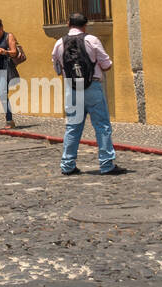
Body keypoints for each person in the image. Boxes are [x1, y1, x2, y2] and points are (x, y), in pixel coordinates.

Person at [52, 12, 126, 176]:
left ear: (68, 23)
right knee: (102, 126)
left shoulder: (58, 44)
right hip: (93, 86)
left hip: (72, 89)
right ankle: (106, 164)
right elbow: (106, 65)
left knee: (72, 127)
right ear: (85, 25)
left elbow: (57, 69)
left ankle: (67, 165)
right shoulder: (92, 40)